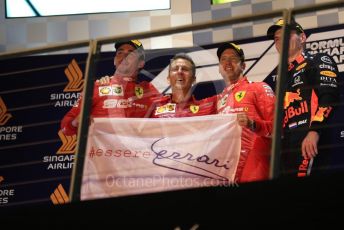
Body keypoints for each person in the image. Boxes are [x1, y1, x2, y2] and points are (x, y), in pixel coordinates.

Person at [266, 18, 340, 177]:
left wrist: (314, 131)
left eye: (286, 34)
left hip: (310, 142)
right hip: (286, 148)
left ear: (303, 37)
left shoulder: (317, 60)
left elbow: (329, 97)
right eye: (277, 38)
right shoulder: (281, 77)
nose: (280, 40)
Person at [60, 39, 161, 135]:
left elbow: (166, 120)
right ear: (114, 60)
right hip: (100, 152)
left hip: (135, 151)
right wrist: (76, 122)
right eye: (120, 53)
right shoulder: (97, 86)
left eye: (131, 53)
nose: (124, 55)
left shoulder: (149, 90)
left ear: (140, 63)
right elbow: (65, 128)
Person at [211, 42, 276, 183]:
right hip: (226, 170)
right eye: (223, 59)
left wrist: (253, 124)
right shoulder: (218, 100)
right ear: (219, 68)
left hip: (255, 167)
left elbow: (278, 128)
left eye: (233, 58)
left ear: (243, 66)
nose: (228, 62)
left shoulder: (259, 88)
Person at [151, 53, 216, 118]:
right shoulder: (153, 108)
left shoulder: (206, 107)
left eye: (185, 69)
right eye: (175, 69)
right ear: (168, 79)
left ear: (194, 79)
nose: (179, 72)